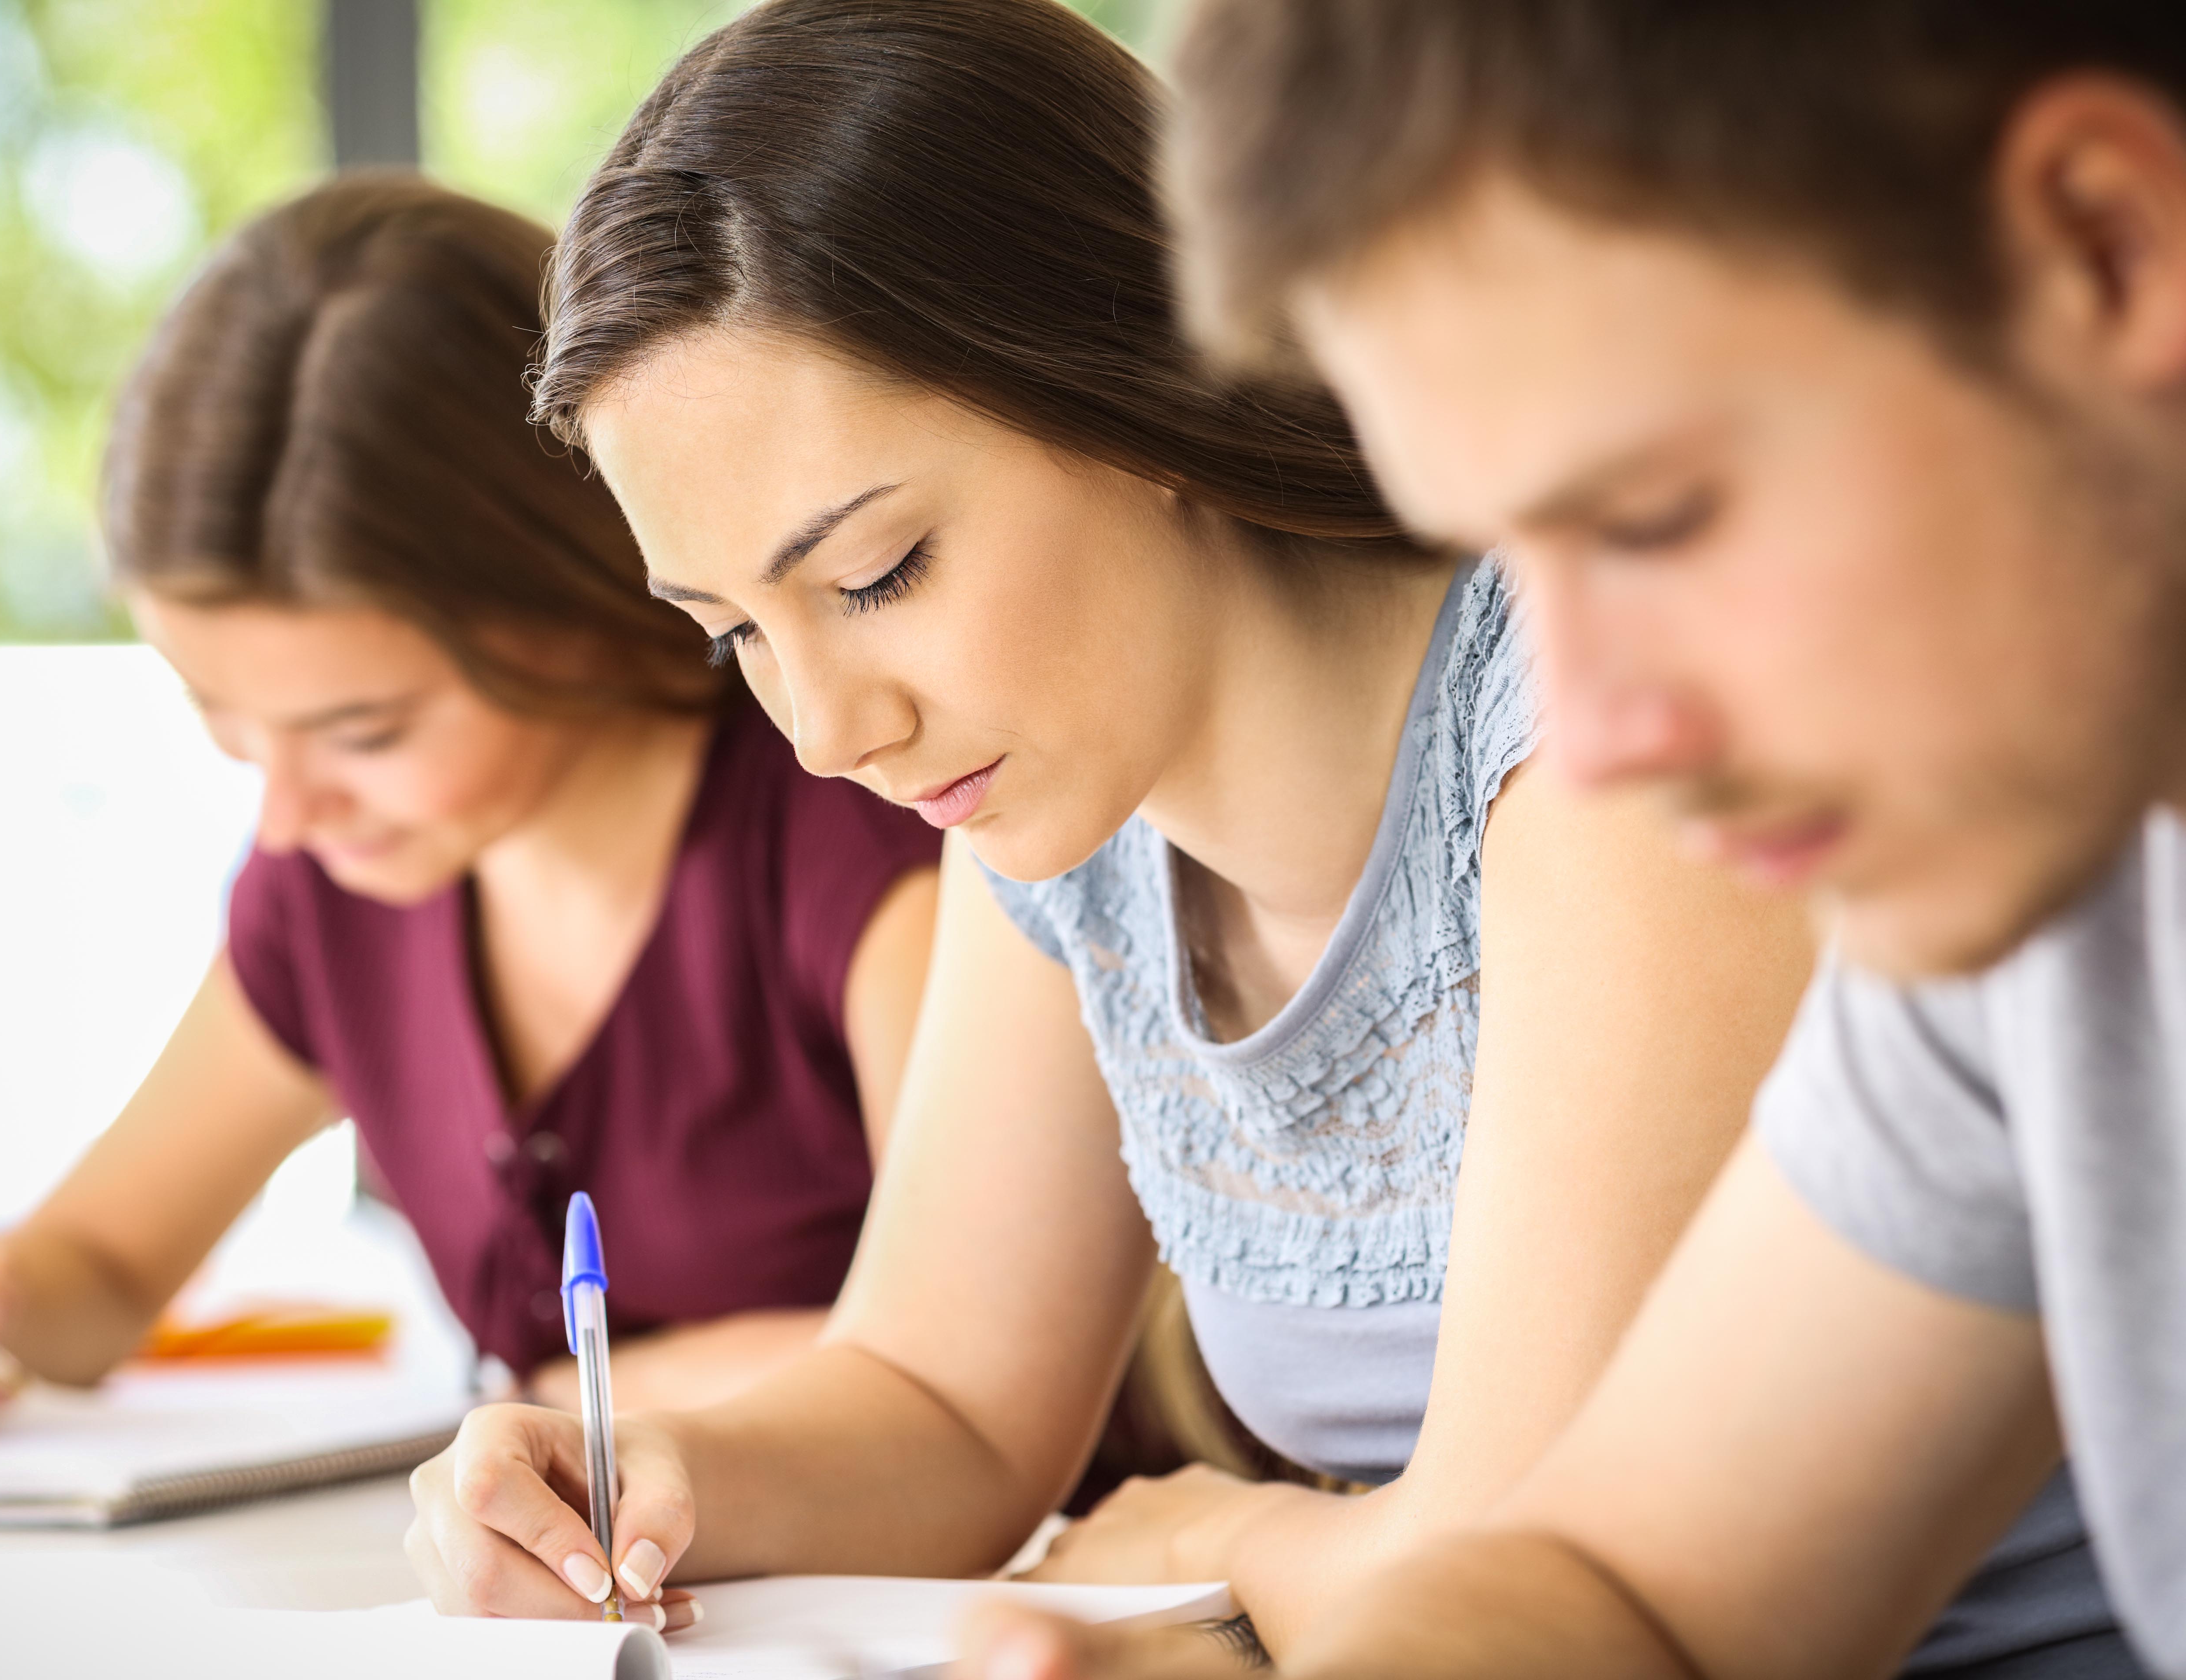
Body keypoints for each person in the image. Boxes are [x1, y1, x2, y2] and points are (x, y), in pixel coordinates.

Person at [395, 0, 1856, 1656]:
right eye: (735, 631)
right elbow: (946, 1402)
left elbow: (1534, 1573)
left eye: (879, 575)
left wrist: (1219, 1531)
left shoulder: (1594, 733)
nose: (826, 735)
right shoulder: (1052, 808)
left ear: (1132, 384)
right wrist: (647, 1474)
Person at [954, 4, 2186, 1678]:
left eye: (1654, 521)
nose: (1597, 733)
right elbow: (1638, 1594)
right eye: (1514, 564)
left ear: (2106, 249)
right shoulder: (2042, 905)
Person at [0, 175, 943, 1468]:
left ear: (578, 591)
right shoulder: (340, 886)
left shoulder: (864, 832)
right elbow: (102, 1265)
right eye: (221, 715)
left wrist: (555, 1409)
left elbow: (972, 1358)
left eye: (364, 734)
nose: (283, 814)